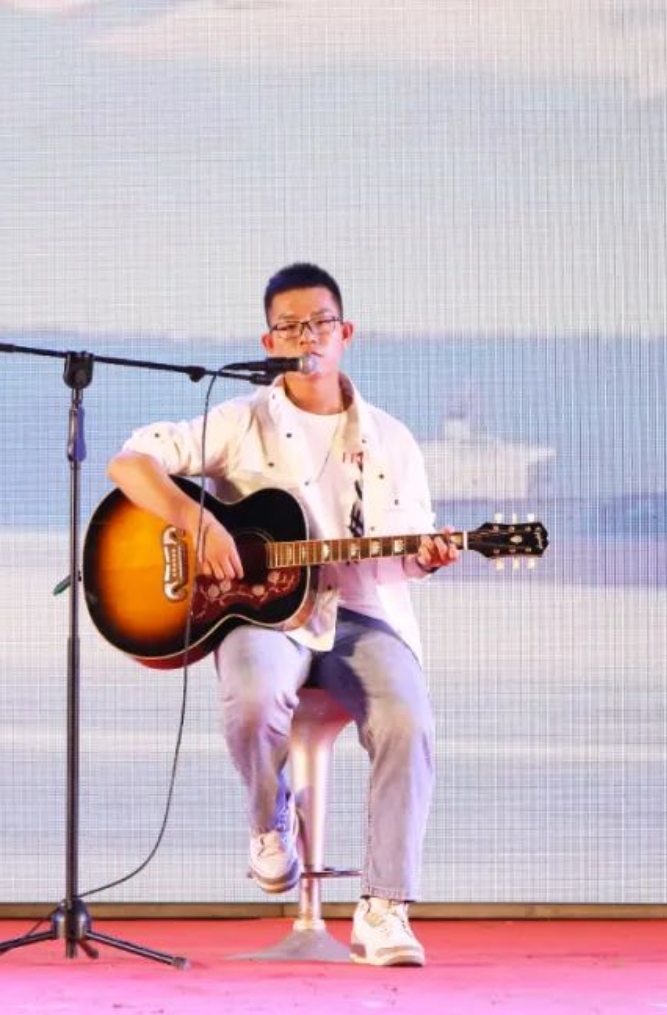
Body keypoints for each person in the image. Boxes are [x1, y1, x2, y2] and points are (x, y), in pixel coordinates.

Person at [106, 263, 459, 967]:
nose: (308, 337)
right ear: (269, 342)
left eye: (320, 323)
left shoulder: (392, 440)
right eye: (291, 327)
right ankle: (270, 821)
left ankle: (384, 908)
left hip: (361, 613)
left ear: (346, 332)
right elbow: (130, 463)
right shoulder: (240, 423)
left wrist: (427, 557)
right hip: (265, 618)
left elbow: (405, 549)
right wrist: (198, 522)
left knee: (408, 720)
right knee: (253, 695)